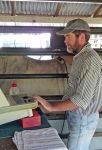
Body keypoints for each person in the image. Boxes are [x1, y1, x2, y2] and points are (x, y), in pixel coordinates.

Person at [33, 18, 102, 150]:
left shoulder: (90, 60)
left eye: (68, 36)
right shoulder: (82, 57)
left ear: (81, 37)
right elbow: (76, 62)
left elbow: (80, 100)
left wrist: (51, 106)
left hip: (83, 118)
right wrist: (61, 56)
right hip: (80, 117)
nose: (65, 41)